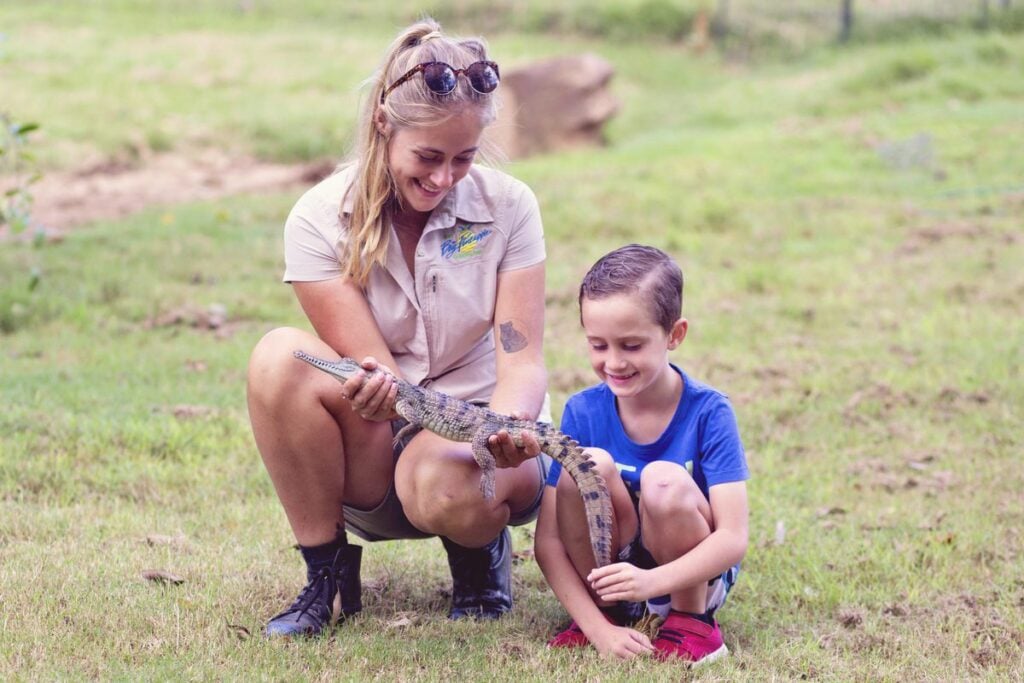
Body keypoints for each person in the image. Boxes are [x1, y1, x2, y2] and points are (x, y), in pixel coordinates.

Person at [246, 18, 549, 638]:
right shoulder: (318, 219)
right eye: (428, 158)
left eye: (464, 159)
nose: (444, 180)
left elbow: (521, 360)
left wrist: (508, 426)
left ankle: (478, 549)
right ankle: (324, 576)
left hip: (473, 430)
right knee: (278, 357)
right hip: (380, 434)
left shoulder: (510, 206)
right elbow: (378, 371)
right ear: (384, 125)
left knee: (453, 490)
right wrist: (371, 391)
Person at [534, 244, 749, 664]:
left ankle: (692, 622)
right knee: (589, 465)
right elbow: (549, 541)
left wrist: (651, 582)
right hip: (614, 575)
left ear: (674, 335)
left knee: (664, 480)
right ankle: (606, 609)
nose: (613, 362)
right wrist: (598, 630)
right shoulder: (581, 409)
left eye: (631, 346)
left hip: (688, 576)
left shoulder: (710, 411)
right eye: (598, 345)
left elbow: (732, 538)